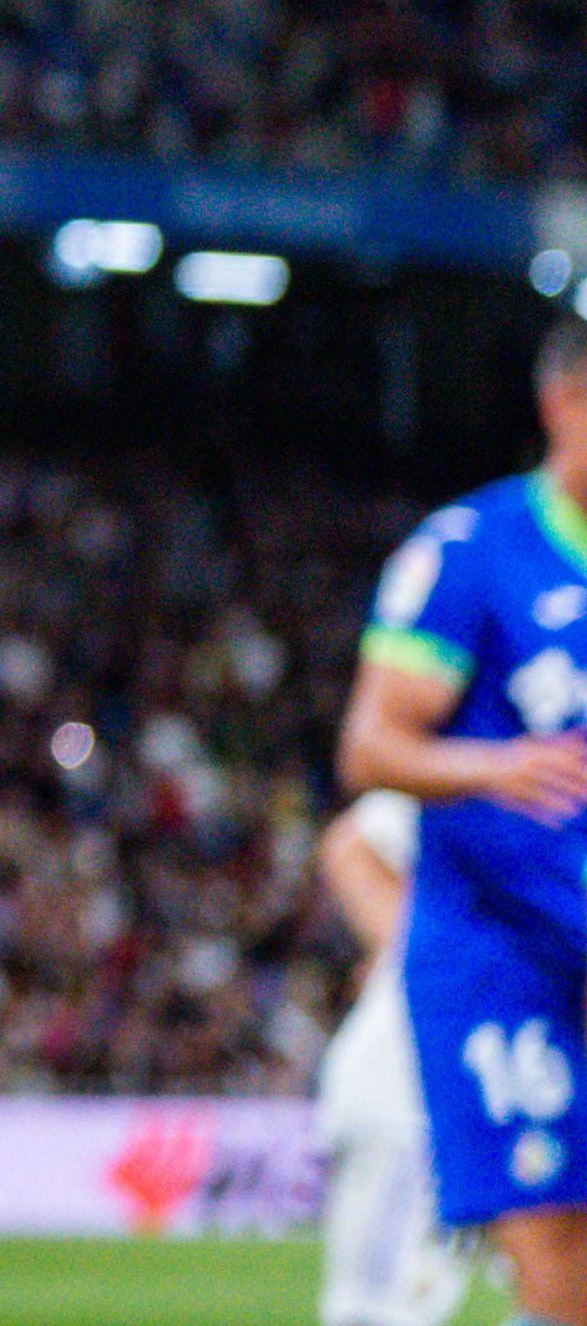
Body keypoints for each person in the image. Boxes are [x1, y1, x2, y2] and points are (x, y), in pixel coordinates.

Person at [338, 311, 587, 1326]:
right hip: (501, 952)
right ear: (561, 402)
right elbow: (367, 746)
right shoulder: (469, 551)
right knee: (549, 1232)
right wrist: (490, 763)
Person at [312, 788, 475, 1326]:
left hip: (474, 1107)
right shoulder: (496, 773)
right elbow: (350, 841)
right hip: (399, 1098)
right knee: (375, 1310)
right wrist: (420, 954)